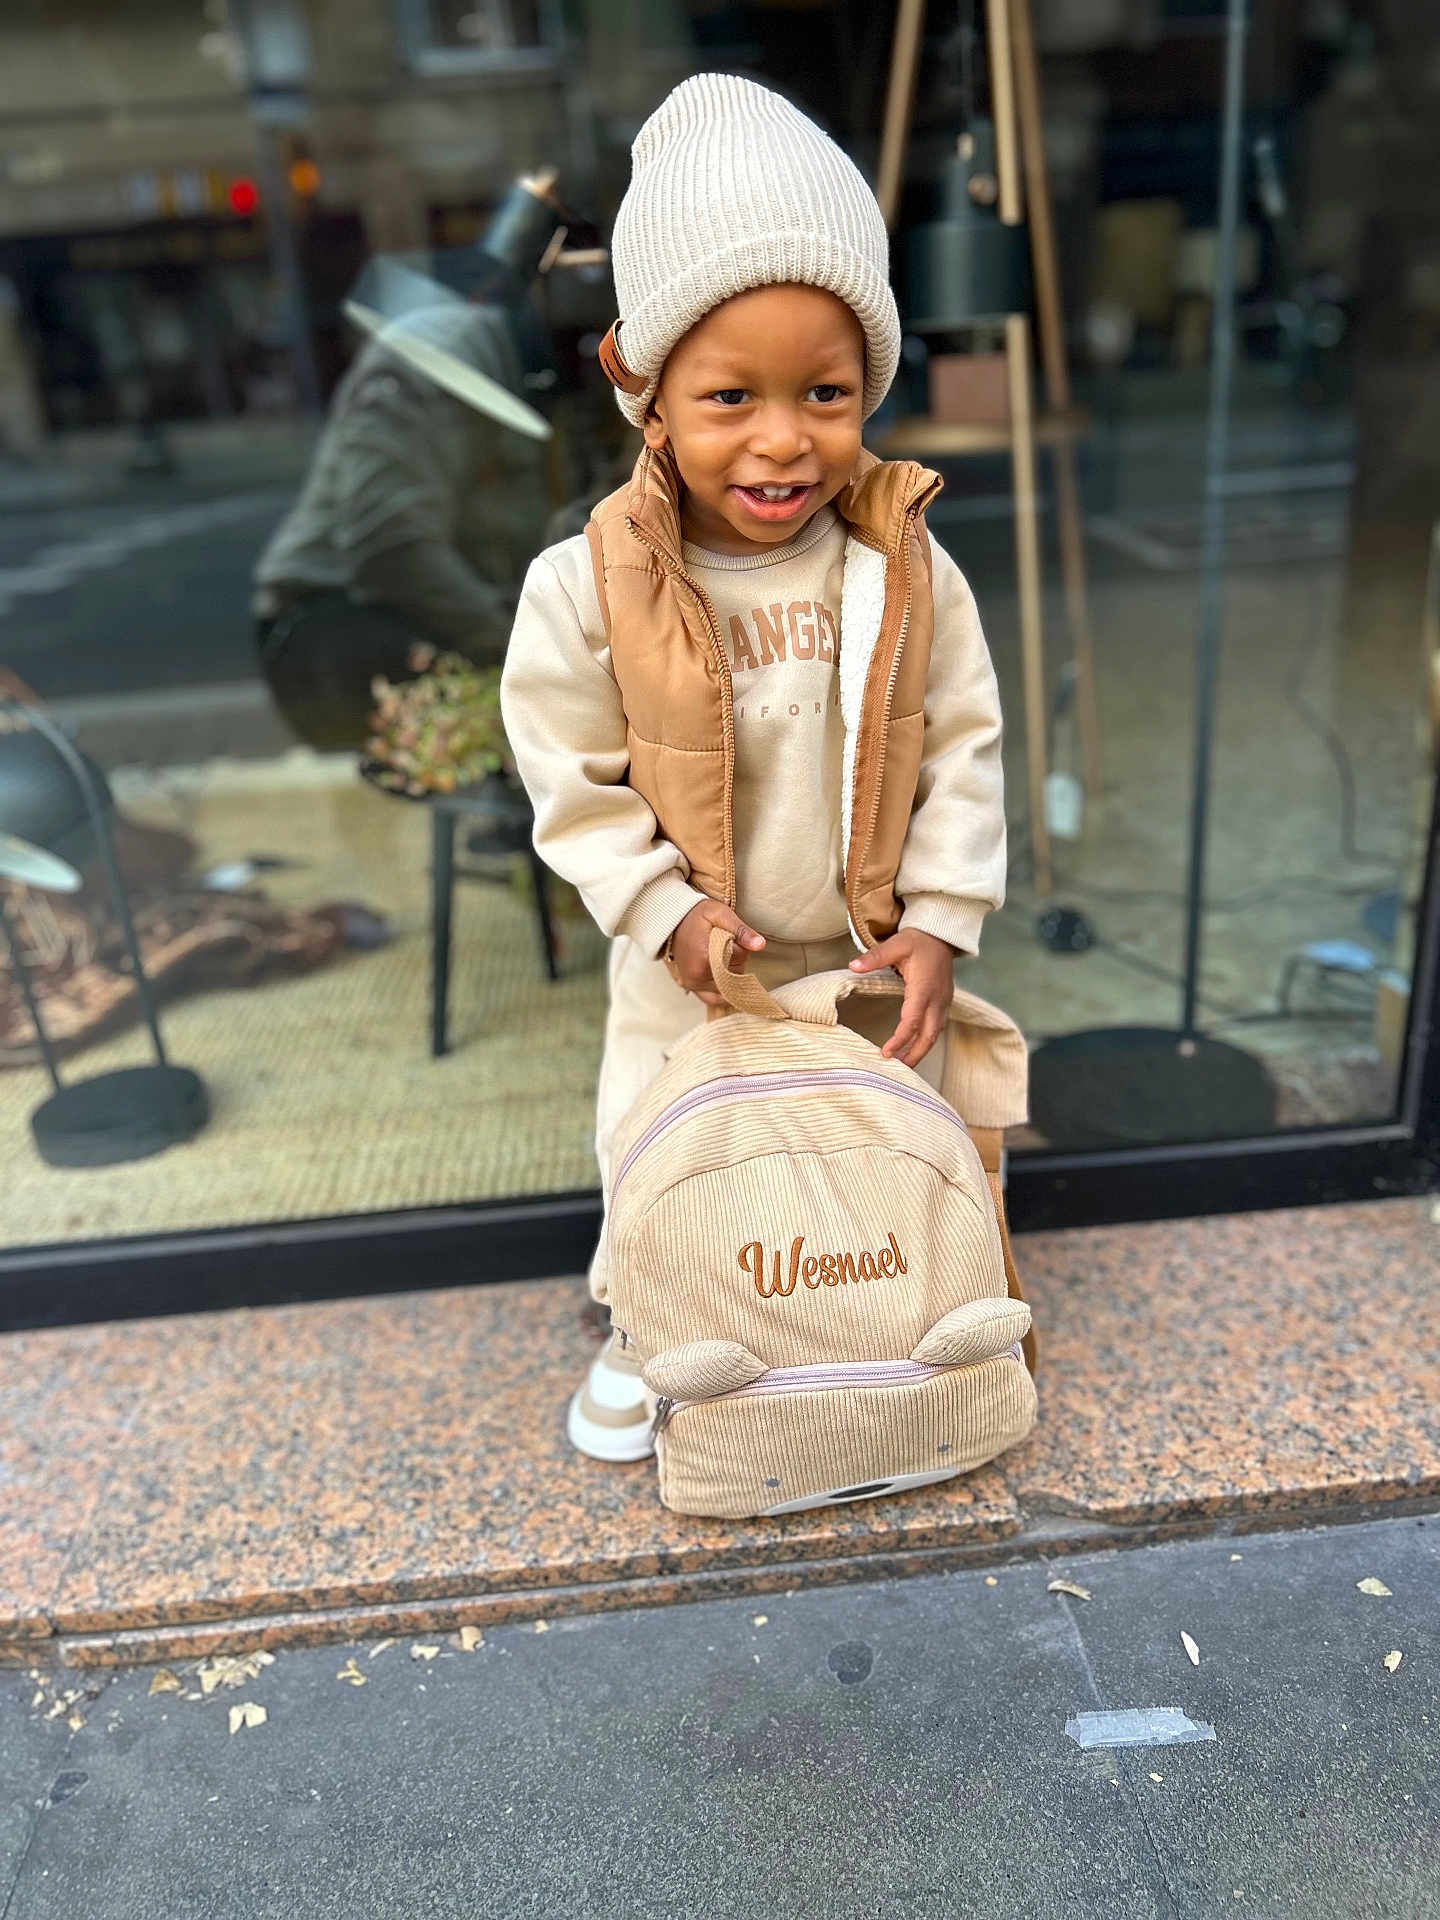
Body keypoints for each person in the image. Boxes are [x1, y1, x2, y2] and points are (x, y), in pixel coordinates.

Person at [500, 75, 1007, 1462]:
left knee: (878, 1151)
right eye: (732, 396)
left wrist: (942, 918)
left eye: (825, 393)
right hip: (686, 966)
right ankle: (649, 1326)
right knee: (656, 1148)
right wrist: (660, 909)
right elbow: (570, 778)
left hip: (862, 958)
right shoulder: (588, 586)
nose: (784, 437)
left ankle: (873, 1327)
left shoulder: (901, 568)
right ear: (646, 389)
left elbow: (964, 742)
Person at [253, 178, 562, 749]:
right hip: (343, 635)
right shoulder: (445, 355)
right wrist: (524, 652)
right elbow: (389, 544)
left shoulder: (527, 369)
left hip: (420, 626)